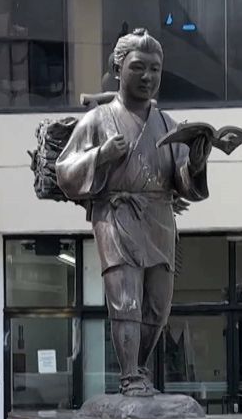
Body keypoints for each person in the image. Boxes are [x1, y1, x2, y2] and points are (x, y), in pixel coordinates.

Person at [55, 28, 212, 396]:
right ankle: (129, 377)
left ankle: (139, 369)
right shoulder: (98, 120)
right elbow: (65, 171)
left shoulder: (168, 125)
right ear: (118, 69)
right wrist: (102, 154)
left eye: (155, 69)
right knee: (126, 299)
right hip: (117, 213)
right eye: (138, 67)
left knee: (158, 305)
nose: (147, 76)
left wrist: (196, 162)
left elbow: (183, 183)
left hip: (159, 217)